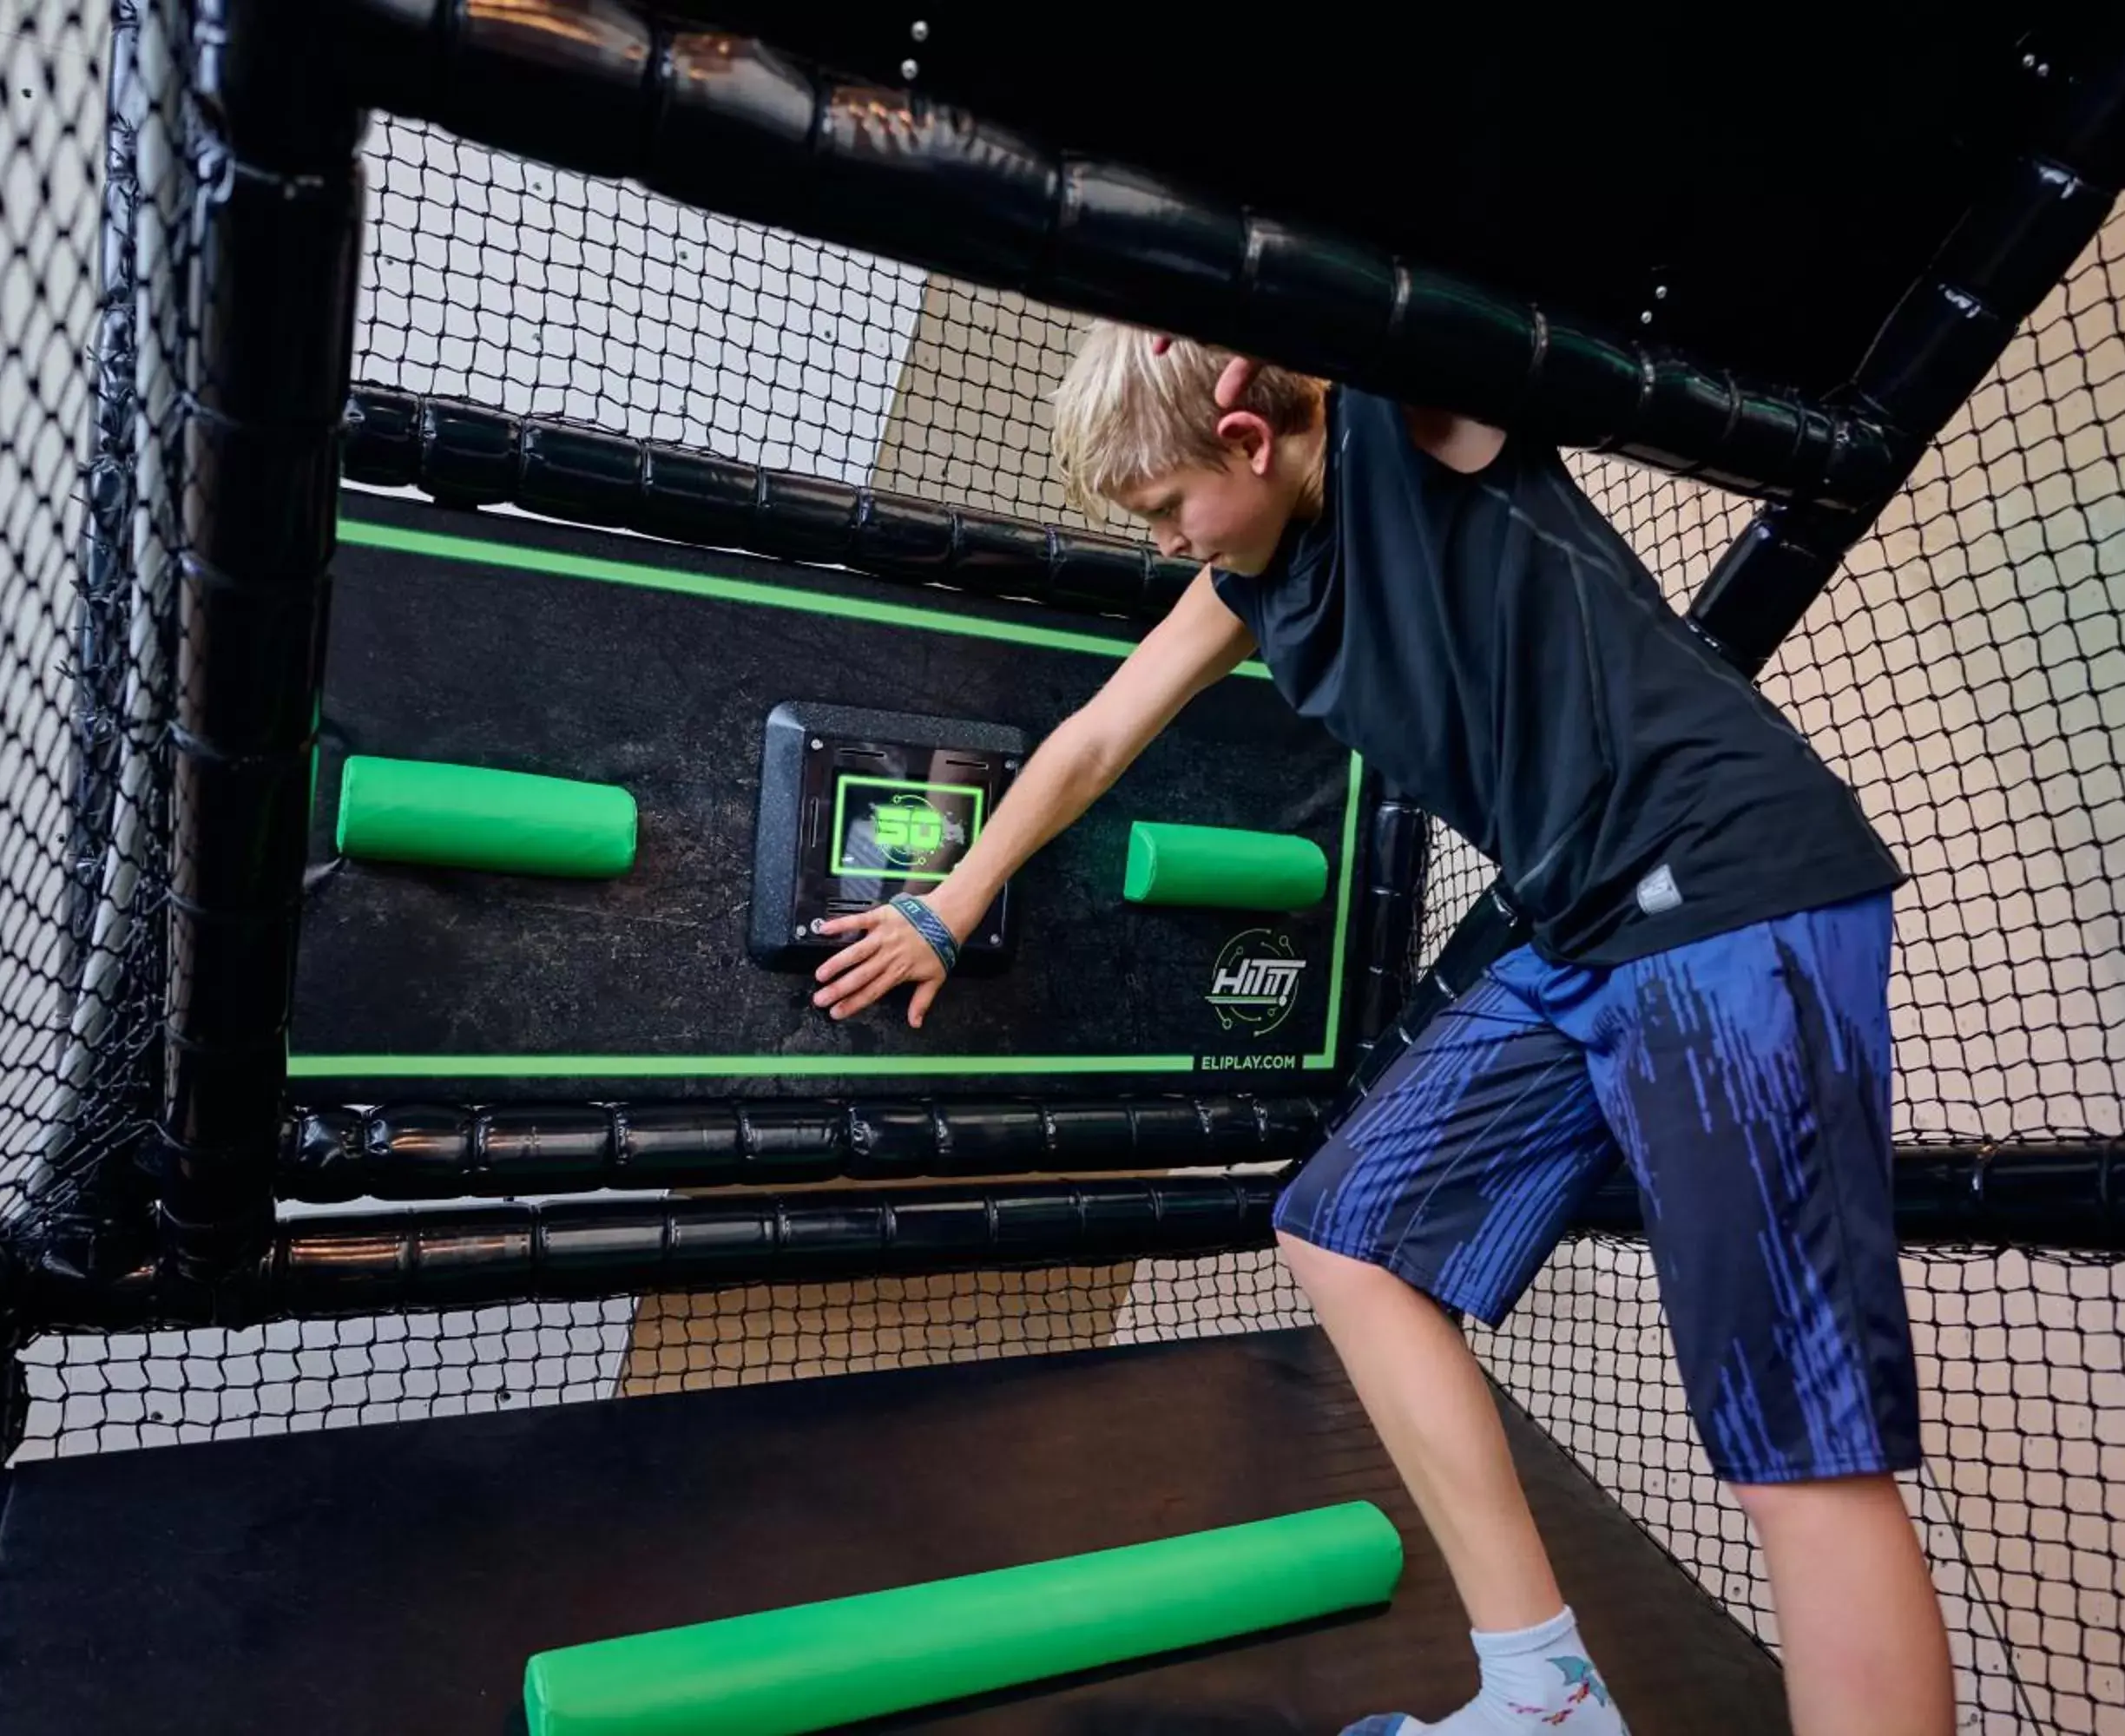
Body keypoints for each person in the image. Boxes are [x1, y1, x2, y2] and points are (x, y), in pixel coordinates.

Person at [812, 320, 1953, 1736]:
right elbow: (1098, 736)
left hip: (1726, 892)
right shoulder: (1253, 579)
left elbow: (1428, 292)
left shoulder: (1411, 435)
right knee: (1347, 1226)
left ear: (1245, 437)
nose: (1168, 542)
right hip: (1581, 929)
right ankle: (1545, 1696)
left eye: (1167, 508)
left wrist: (1258, 283)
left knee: (1798, 1442)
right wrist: (947, 905)